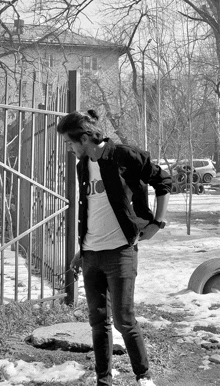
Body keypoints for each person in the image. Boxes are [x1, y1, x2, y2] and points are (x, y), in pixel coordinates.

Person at [57, 110, 172, 386]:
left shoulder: (123, 155)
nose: (69, 149)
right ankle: (104, 379)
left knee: (124, 320)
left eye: (69, 143)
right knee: (98, 323)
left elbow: (163, 180)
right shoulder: (83, 166)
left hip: (120, 252)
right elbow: (93, 212)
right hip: (90, 255)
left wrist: (158, 221)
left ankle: (144, 377)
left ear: (84, 138)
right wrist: (80, 251)